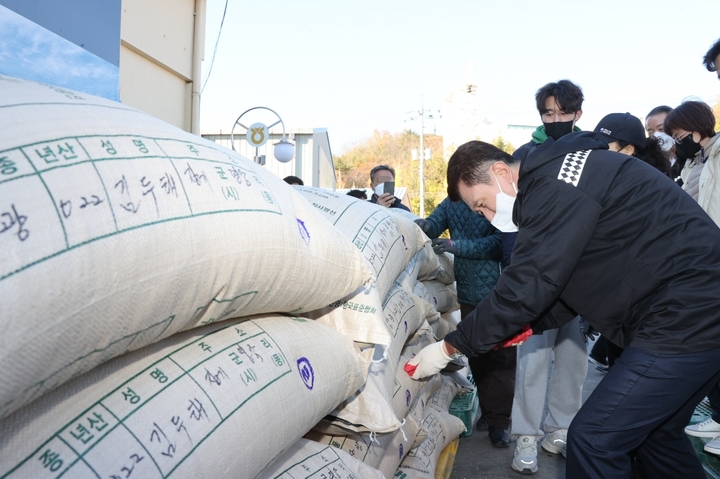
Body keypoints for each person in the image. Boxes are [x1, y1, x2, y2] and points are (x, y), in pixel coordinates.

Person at [406, 137, 720, 478]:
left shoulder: (554, 185)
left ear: (501, 171)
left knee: (595, 439)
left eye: (481, 204)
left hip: (685, 313)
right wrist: (528, 326)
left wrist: (450, 346)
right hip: (693, 305)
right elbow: (570, 281)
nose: (486, 216)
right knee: (656, 436)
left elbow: (530, 281)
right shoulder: (559, 178)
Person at [504, 79, 588, 475]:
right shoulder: (528, 154)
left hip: (579, 273)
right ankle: (526, 435)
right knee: (533, 357)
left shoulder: (591, 151)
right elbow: (514, 217)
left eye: (563, 113)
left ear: (579, 113)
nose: (555, 120)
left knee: (573, 358)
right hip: (537, 272)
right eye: (548, 113)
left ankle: (561, 428)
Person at [414, 198, 509, 448]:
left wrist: (456, 245)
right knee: (477, 356)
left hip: (497, 292)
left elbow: (498, 244)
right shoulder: (451, 203)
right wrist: (423, 225)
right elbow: (435, 223)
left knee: (501, 358)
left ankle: (500, 423)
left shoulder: (492, 201)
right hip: (467, 293)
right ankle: (489, 411)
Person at [664, 100, 720, 226]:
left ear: (696, 128)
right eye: (674, 139)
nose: (677, 143)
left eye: (678, 136)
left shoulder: (717, 155)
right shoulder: (692, 163)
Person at [595, 112, 672, 177]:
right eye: (595, 141)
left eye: (603, 145)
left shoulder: (647, 182)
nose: (594, 147)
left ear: (628, 150)